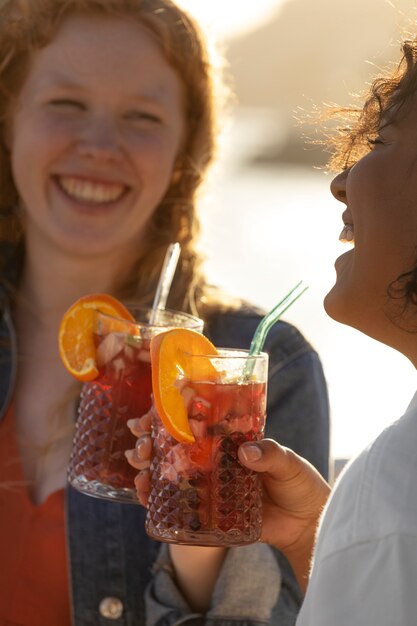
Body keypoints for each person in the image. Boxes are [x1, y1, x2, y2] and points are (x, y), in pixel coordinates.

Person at [0, 1, 330, 625]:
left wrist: (197, 527)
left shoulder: (257, 368)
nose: (99, 144)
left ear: (186, 149)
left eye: (141, 116)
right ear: (8, 122)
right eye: (66, 104)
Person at [233, 29, 417, 625]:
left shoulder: (393, 494)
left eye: (382, 142)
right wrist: (323, 538)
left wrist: (356, 535)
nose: (341, 180)